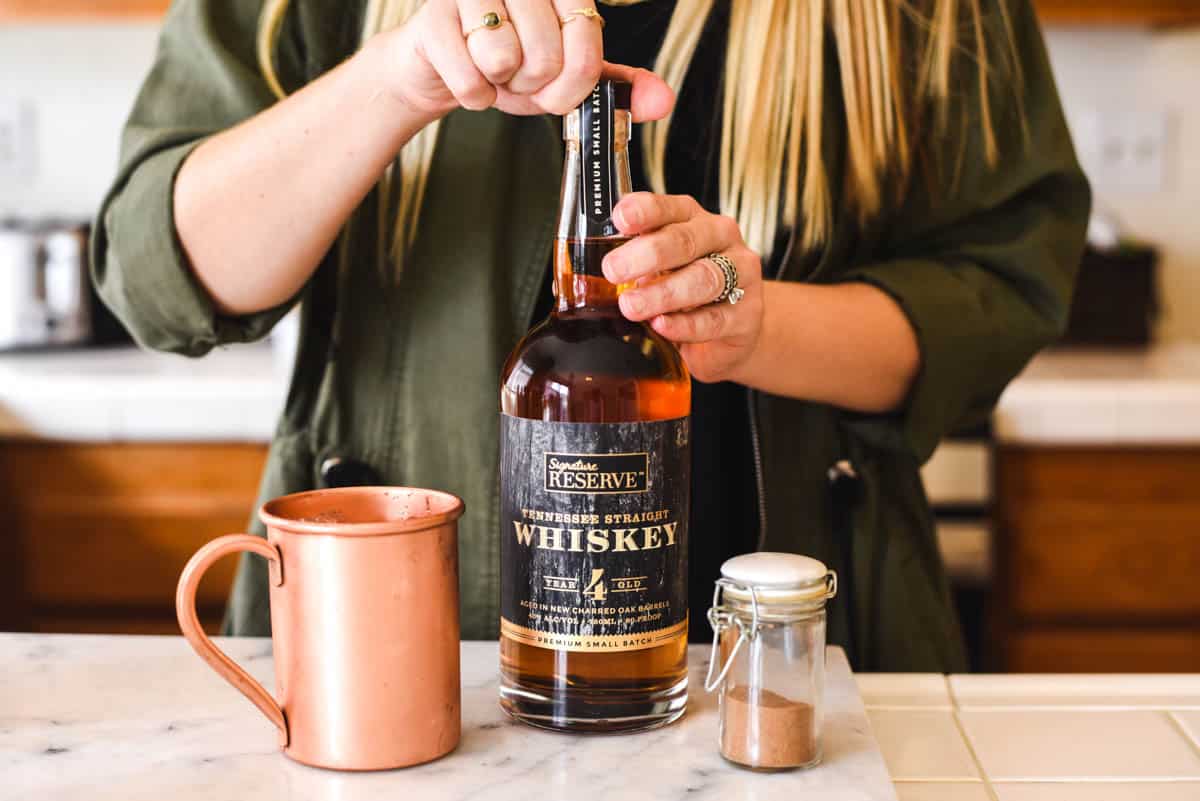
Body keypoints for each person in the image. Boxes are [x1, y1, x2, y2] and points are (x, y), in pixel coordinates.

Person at [92, 0, 1089, 671]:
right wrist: (398, 79)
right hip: (381, 658)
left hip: (801, 666)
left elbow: (996, 293)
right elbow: (158, 276)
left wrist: (756, 324)